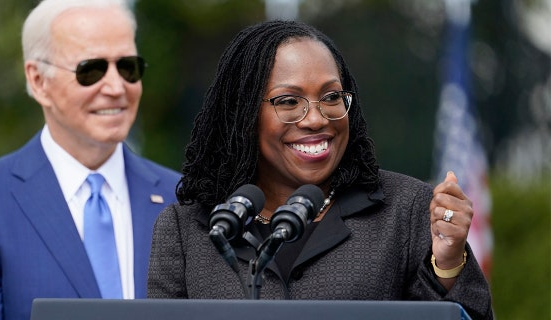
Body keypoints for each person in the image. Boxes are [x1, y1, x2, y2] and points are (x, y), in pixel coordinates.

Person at [147, 20, 493, 319]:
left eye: (331, 97)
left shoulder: (405, 210)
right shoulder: (187, 230)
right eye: (289, 101)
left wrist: (447, 265)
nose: (316, 119)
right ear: (244, 115)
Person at [0, 0, 180, 319]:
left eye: (128, 68)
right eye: (91, 70)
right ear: (38, 81)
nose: (116, 87)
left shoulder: (183, 198)